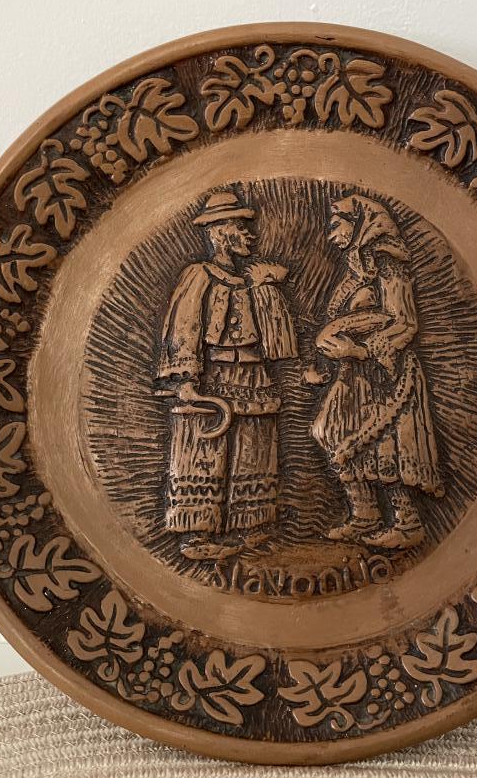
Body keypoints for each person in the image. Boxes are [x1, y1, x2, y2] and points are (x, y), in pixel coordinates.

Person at [155, 190, 297, 560]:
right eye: (241, 227)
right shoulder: (199, 275)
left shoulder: (252, 279)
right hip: (214, 375)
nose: (250, 234)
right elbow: (183, 327)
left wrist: (269, 288)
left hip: (253, 375)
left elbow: (276, 338)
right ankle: (197, 533)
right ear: (220, 233)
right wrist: (186, 381)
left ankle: (251, 525)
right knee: (205, 448)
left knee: (255, 446)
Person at [310, 194, 443, 549]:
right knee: (329, 430)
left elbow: (405, 322)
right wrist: (327, 360)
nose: (332, 234)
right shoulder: (358, 269)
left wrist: (363, 350)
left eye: (337, 225)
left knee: (387, 444)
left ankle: (408, 523)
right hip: (353, 371)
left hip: (386, 372)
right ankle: (364, 513)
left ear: (360, 224)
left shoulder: (388, 262)